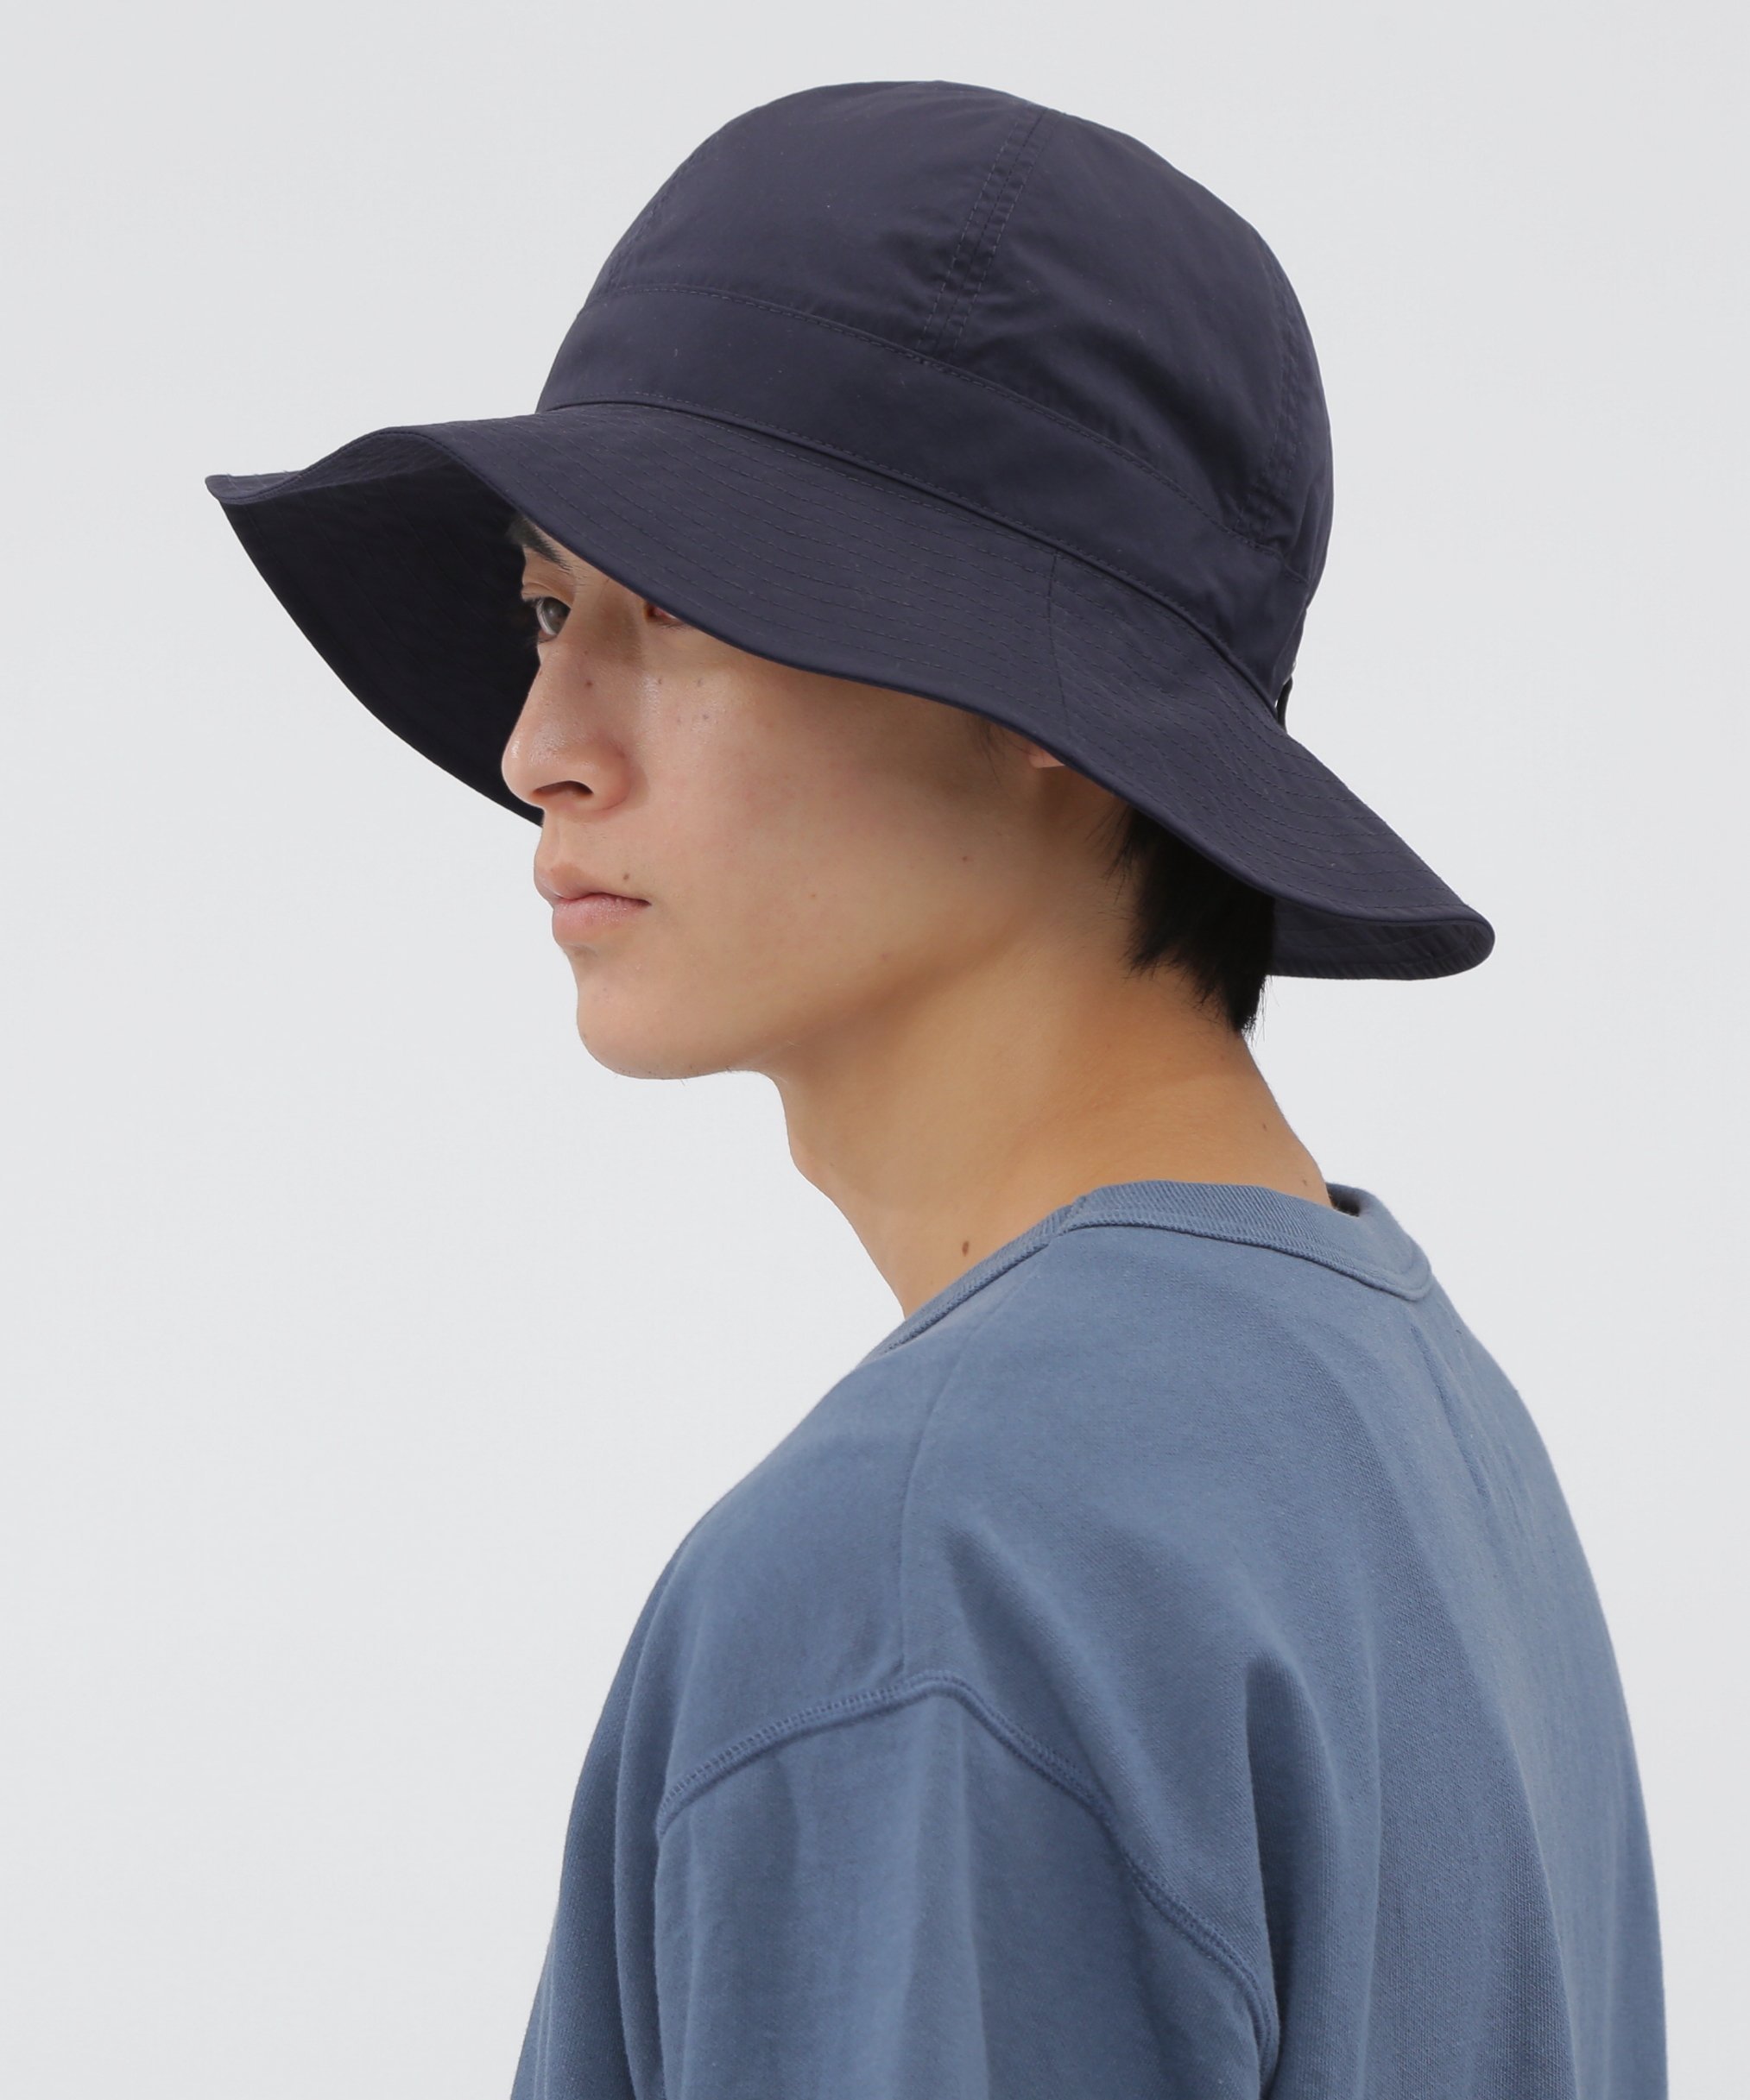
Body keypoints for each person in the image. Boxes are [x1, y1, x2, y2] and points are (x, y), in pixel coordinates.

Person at [205, 78, 1665, 2100]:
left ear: (1044, 699)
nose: (541, 743)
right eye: (550, 610)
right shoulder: (1422, 1422)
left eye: (672, 608)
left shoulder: (927, 1566)